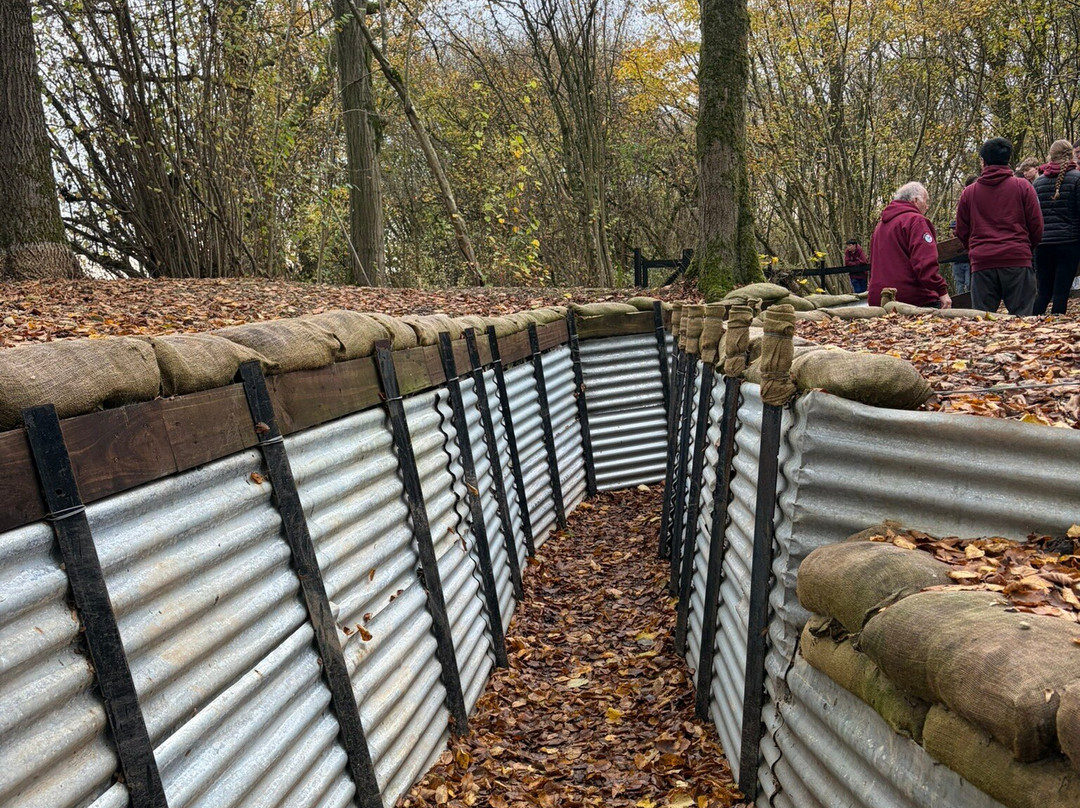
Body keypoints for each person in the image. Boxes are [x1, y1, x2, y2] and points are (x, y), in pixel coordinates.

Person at [955, 137, 1043, 315]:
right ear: (1008, 160)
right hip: (1017, 258)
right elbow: (1036, 225)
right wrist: (1025, 248)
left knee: (982, 321)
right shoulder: (1023, 187)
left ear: (983, 161)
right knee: (1023, 320)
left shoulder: (969, 193)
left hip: (983, 262)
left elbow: (961, 230)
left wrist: (974, 248)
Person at [868, 182, 952, 309]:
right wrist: (941, 290)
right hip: (913, 298)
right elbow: (925, 263)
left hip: (879, 299)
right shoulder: (916, 221)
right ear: (916, 200)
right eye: (926, 201)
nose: (927, 206)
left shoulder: (880, 226)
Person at [1032, 139, 1080, 314]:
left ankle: (1032, 324)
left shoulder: (1037, 183)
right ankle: (1056, 327)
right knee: (1061, 293)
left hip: (1043, 244)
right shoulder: (1077, 179)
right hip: (1068, 242)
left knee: (1043, 292)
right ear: (1071, 154)